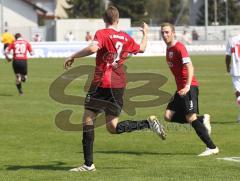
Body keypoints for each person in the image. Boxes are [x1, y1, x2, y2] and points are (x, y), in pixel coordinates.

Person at [64, 6, 166, 172]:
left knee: (88, 119)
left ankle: (88, 164)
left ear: (104, 20)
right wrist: (145, 33)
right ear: (117, 20)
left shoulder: (102, 33)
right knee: (112, 127)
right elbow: (142, 48)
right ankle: (147, 124)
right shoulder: (126, 37)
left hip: (101, 83)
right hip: (118, 85)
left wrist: (72, 56)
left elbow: (92, 48)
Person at [160, 22, 219, 156]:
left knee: (190, 117)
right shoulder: (168, 49)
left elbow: (190, 67)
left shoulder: (179, 47)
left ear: (173, 33)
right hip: (181, 88)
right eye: (162, 32)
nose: (164, 35)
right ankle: (202, 119)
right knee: (168, 115)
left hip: (189, 86)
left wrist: (187, 86)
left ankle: (212, 147)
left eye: (167, 32)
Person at [226, 34, 240, 123]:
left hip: (236, 70)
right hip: (236, 70)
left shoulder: (232, 39)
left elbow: (228, 56)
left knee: (238, 93)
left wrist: (227, 66)